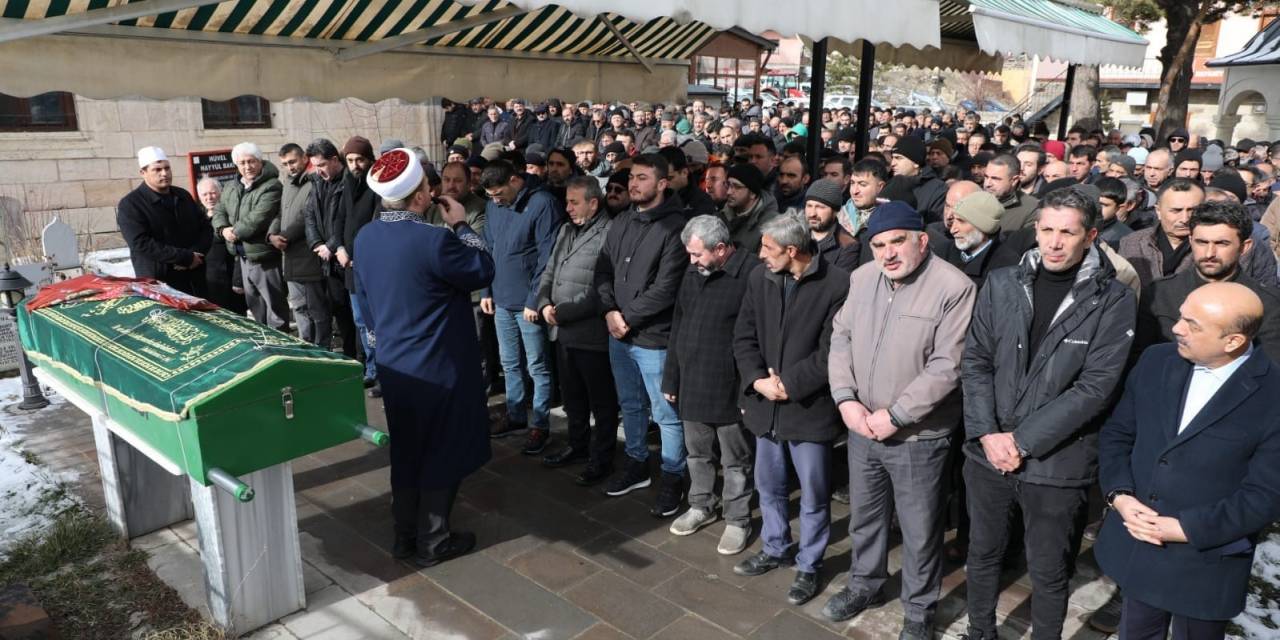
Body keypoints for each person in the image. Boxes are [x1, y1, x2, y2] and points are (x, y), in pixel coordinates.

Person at [959, 186, 1137, 640]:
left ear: (1091, 236)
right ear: (1035, 229)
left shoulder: (1112, 300)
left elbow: (1096, 387)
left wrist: (1021, 441)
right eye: (1047, 230)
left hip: (1058, 459)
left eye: (1068, 233)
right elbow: (976, 361)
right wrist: (987, 434)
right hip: (988, 450)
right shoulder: (1001, 283)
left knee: (1048, 568)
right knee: (982, 553)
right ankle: (980, 631)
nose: (1055, 242)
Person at [823, 202, 975, 639]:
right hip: (861, 426)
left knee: (919, 530)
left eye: (897, 242)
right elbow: (841, 337)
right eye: (878, 245)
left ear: (921, 240)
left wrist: (898, 415)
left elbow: (949, 364)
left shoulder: (954, 287)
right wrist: (846, 400)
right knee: (865, 518)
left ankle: (918, 611)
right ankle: (864, 584)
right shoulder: (862, 277)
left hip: (918, 436)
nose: (888, 254)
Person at [1097, 282, 1280, 640]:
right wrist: (1119, 496)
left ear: (1233, 341)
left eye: (1193, 325)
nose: (1177, 328)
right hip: (1139, 548)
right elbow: (1118, 435)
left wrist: (1184, 529)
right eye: (1181, 316)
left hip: (1207, 565)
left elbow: (1265, 494)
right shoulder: (1155, 361)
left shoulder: (1273, 396)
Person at [355, 147, 494, 568]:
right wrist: (462, 225)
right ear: (421, 196)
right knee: (442, 451)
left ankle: (404, 536)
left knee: (407, 451)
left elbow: (365, 298)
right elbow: (483, 268)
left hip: (395, 364)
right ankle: (434, 540)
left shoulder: (364, 236)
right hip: (438, 366)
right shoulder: (435, 240)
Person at [732, 214, 848, 606]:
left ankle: (809, 564)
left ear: (792, 250)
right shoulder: (758, 278)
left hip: (808, 410)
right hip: (766, 406)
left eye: (768, 248)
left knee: (814, 495)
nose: (760, 254)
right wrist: (757, 380)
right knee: (769, 486)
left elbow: (831, 352)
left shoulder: (836, 285)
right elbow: (743, 335)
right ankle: (775, 545)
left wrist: (790, 385)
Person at [594, 154, 689, 516]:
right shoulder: (620, 222)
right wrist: (608, 311)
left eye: (643, 178)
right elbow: (602, 270)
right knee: (630, 405)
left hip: (653, 338)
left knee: (665, 413)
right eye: (632, 177)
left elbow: (667, 288)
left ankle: (672, 475)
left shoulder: (677, 227)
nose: (634, 184)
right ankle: (635, 465)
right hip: (618, 333)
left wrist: (625, 317)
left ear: (662, 183)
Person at [662, 215, 758, 555]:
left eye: (697, 254)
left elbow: (756, 338)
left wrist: (749, 388)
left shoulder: (751, 274)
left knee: (735, 460)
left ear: (721, 249)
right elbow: (679, 325)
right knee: (697, 453)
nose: (692, 261)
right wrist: (671, 376)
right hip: (692, 381)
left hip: (730, 386)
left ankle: (737, 518)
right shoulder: (693, 272)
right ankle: (701, 504)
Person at [535, 176, 619, 485]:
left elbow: (603, 287)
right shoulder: (566, 229)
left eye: (574, 202)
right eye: (567, 201)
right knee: (572, 397)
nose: (567, 207)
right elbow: (550, 270)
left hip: (590, 334)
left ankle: (603, 457)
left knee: (601, 400)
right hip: (562, 332)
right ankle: (577, 444)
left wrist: (563, 312)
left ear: (593, 203)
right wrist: (543, 301)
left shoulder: (609, 233)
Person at [478, 160, 562, 454]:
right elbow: (487, 248)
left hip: (528, 304)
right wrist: (486, 288)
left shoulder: (542, 204)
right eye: (491, 196)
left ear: (515, 180)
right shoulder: (494, 205)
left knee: (537, 365)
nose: (496, 200)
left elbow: (547, 256)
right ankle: (515, 415)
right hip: (501, 299)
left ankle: (540, 424)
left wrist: (535, 299)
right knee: (509, 363)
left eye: (499, 193)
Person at [1135, 199, 1280, 361]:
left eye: (1222, 243)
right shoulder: (1159, 293)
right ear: (1190, 241)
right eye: (1202, 242)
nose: (1210, 253)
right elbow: (1141, 359)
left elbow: (1271, 368)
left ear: (1244, 247)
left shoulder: (1267, 302)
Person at [211, 142, 289, 330]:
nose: (247, 167)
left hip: (264, 257)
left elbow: (258, 219)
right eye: (242, 163)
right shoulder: (231, 186)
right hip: (243, 257)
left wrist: (234, 232)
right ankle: (265, 346)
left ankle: (282, 347)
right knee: (255, 308)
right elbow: (219, 210)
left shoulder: (271, 186)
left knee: (275, 310)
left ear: (260, 161)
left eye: (251, 161)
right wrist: (223, 229)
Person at [117, 146, 212, 296]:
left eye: (167, 168)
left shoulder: (183, 196)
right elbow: (141, 243)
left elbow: (205, 228)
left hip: (195, 276)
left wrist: (196, 254)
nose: (164, 173)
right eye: (157, 170)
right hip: (160, 283)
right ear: (143, 173)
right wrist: (183, 258)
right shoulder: (131, 205)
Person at [303, 138, 359, 357]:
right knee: (340, 312)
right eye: (315, 166)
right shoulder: (317, 182)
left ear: (335, 160)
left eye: (322, 165)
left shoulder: (349, 182)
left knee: (356, 315)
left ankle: (359, 358)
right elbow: (309, 215)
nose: (318, 171)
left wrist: (331, 245)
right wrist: (316, 243)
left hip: (345, 257)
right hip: (326, 260)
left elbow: (347, 221)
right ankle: (348, 355)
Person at [338, 136, 383, 394]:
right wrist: (340, 248)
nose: (355, 165)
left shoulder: (376, 185)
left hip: (370, 265)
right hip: (350, 266)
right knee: (361, 320)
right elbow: (341, 219)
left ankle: (384, 372)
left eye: (360, 160)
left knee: (377, 321)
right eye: (351, 160)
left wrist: (361, 254)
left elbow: (376, 223)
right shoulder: (347, 183)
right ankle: (372, 368)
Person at [274, 143, 324, 344]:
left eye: (292, 161)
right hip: (290, 258)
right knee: (299, 308)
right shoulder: (287, 183)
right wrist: (271, 235)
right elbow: (281, 213)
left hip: (308, 257)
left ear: (304, 158)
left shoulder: (314, 181)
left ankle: (320, 351)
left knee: (316, 311)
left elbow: (306, 216)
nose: (289, 167)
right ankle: (306, 346)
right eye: (285, 164)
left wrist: (283, 236)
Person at [196, 176, 246, 313]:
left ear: (220, 193)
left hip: (231, 280)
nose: (209, 197)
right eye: (204, 194)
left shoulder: (231, 217)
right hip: (208, 282)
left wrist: (238, 279)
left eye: (212, 193)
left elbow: (240, 250)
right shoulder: (198, 219)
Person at [720, 163, 780, 253]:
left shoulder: (771, 224)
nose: (729, 192)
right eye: (728, 185)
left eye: (737, 187)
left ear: (753, 194)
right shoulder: (721, 216)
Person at [804, 179, 859, 271]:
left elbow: (840, 282)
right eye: (809, 206)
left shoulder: (848, 245)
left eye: (820, 207)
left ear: (835, 211)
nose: (812, 214)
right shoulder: (795, 234)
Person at [983, 154, 1039, 232]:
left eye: (995, 179)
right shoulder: (974, 199)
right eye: (986, 177)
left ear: (1014, 180)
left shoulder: (1031, 208)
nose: (987, 184)